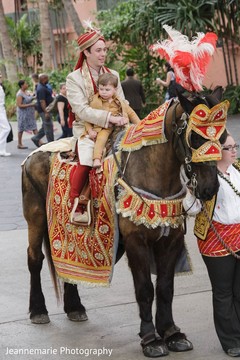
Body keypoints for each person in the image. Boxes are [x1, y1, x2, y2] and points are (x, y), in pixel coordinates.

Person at [183, 133, 240, 357]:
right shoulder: (207, 177)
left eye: (236, 146)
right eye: (229, 148)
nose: (234, 151)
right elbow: (192, 209)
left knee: (239, 290)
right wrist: (191, 191)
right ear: (217, 152)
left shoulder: (238, 171)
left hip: (239, 235)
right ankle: (231, 341)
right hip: (216, 240)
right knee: (224, 291)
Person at [66, 25, 128, 224]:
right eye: (99, 50)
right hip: (87, 129)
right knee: (87, 158)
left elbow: (123, 103)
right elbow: (81, 110)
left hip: (117, 124)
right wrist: (109, 118)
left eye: (105, 50)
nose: (103, 54)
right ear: (86, 52)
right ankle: (78, 203)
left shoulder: (114, 74)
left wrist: (128, 119)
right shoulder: (74, 78)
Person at [31, 73, 54, 147]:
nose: (48, 80)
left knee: (45, 126)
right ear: (43, 79)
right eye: (47, 78)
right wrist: (46, 112)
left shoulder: (43, 86)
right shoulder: (41, 88)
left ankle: (35, 138)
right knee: (48, 127)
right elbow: (42, 101)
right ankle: (51, 144)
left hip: (47, 109)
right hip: (44, 110)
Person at [16, 80, 38, 149]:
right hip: (23, 114)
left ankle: (38, 140)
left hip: (30, 114)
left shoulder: (26, 92)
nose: (27, 85)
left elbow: (30, 98)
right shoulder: (19, 94)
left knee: (34, 127)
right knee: (21, 128)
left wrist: (34, 97)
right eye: (26, 84)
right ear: (22, 85)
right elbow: (19, 105)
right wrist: (30, 104)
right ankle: (19, 143)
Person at [0, 75, 11, 156]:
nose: (1, 77)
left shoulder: (1, 86)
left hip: (2, 109)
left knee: (5, 128)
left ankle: (2, 149)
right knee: (6, 128)